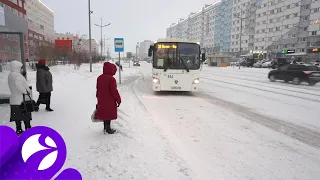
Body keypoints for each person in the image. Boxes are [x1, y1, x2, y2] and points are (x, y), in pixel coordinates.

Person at [96, 62, 121, 134]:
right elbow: (114, 91)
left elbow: (98, 89)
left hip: (101, 99)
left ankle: (105, 127)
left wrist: (98, 97)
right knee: (108, 114)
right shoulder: (111, 79)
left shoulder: (99, 78)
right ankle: (108, 129)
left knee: (105, 113)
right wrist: (118, 100)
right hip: (110, 100)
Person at [8, 60, 32, 135]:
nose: (21, 69)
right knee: (25, 116)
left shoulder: (11, 75)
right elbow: (18, 85)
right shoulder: (17, 75)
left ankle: (19, 130)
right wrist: (26, 91)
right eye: (20, 67)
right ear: (17, 67)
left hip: (14, 99)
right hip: (21, 100)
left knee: (17, 117)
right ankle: (28, 130)